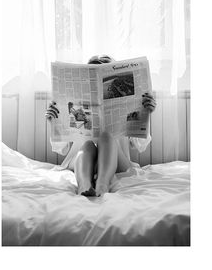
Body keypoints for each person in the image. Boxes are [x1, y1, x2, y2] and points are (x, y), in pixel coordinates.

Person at [45, 55, 156, 197]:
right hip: (81, 162)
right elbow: (61, 148)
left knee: (107, 136)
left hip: (117, 163)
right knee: (88, 145)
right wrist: (55, 121)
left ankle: (102, 184)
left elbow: (140, 146)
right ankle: (84, 185)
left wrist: (146, 114)